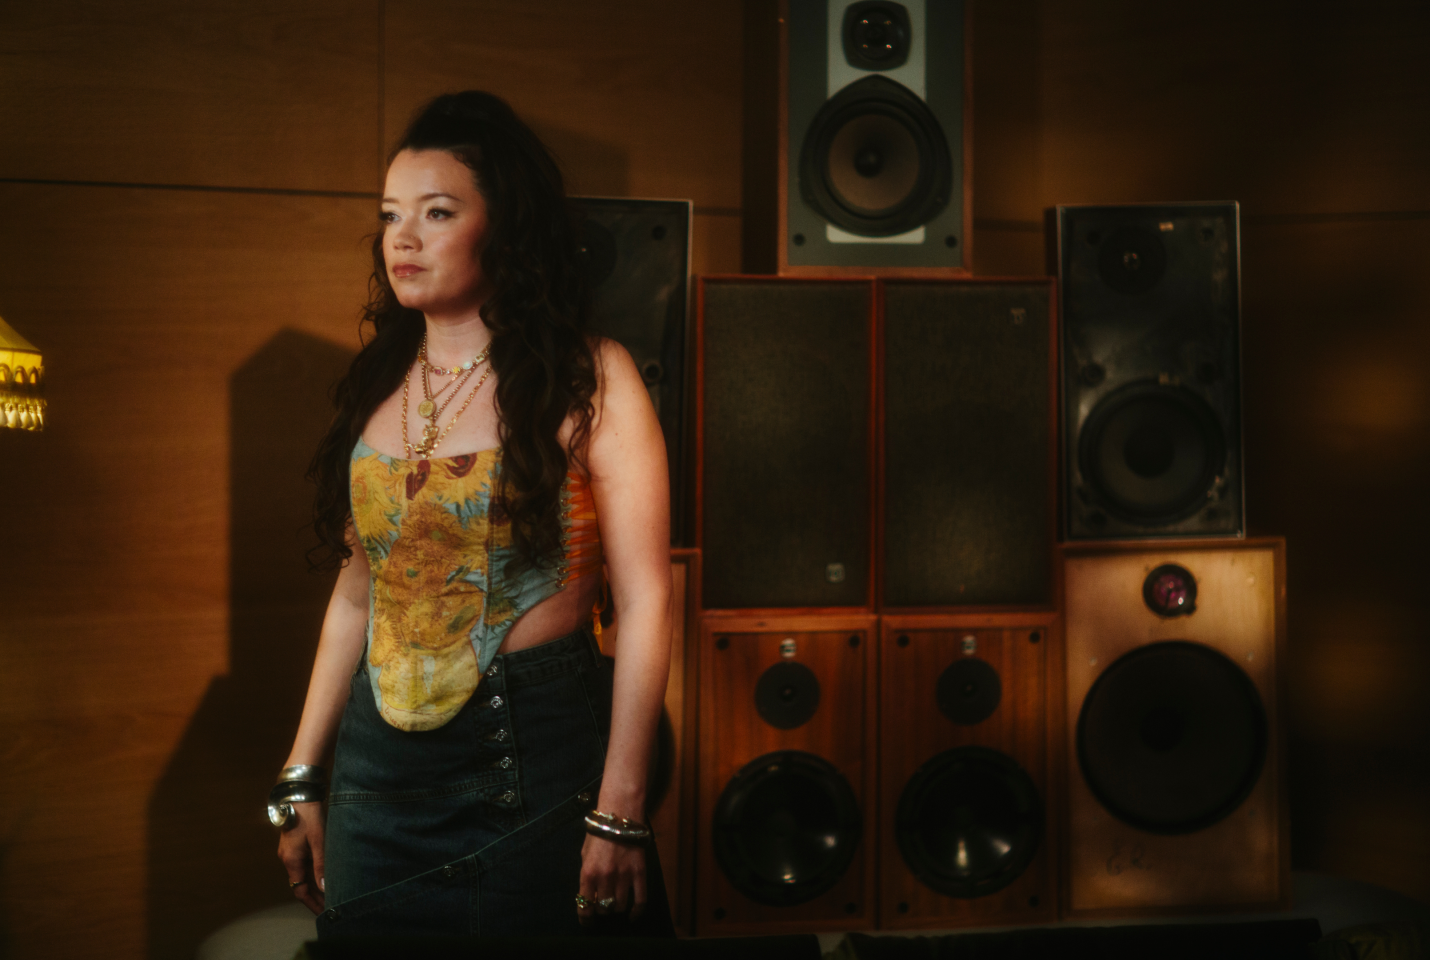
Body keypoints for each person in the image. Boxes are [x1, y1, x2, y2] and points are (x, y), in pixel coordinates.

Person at [271, 90, 674, 938]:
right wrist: (302, 773)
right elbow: (356, 595)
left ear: (505, 227)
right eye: (390, 216)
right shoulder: (378, 387)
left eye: (437, 212)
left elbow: (643, 602)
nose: (403, 238)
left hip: (533, 766)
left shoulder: (590, 378)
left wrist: (621, 808)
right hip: (375, 787)